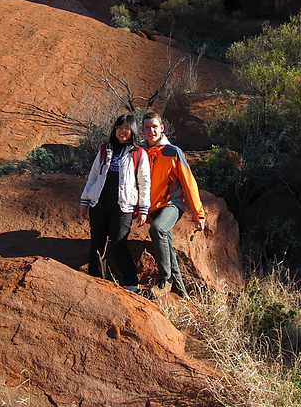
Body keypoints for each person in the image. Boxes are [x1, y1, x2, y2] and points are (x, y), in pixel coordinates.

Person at [80, 114, 150, 292]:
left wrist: (143, 209)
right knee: (97, 244)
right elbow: (94, 176)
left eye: (126, 128)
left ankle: (132, 283)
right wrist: (84, 200)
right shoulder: (105, 149)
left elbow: (144, 182)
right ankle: (96, 280)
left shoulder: (138, 153)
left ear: (132, 130)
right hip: (99, 205)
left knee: (118, 244)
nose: (122, 131)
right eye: (119, 128)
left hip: (123, 206)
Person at [141, 109, 206, 297]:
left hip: (172, 205)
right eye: (147, 127)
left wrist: (198, 214)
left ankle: (164, 280)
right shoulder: (140, 151)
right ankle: (181, 292)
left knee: (158, 230)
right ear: (142, 130)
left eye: (154, 127)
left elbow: (189, 183)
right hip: (151, 208)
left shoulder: (173, 151)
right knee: (167, 244)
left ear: (161, 128)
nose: (151, 131)